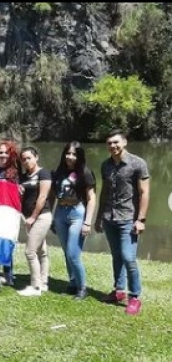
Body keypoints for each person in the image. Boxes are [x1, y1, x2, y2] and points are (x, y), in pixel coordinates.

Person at [94, 129, 150, 315]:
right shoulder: (105, 165)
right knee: (116, 256)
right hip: (110, 217)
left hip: (128, 219)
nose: (113, 146)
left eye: (116, 142)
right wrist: (99, 216)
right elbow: (104, 192)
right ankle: (119, 291)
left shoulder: (137, 164)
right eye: (109, 143)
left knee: (128, 257)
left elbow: (144, 193)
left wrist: (141, 219)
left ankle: (135, 297)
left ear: (124, 142)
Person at [51, 141, 96, 300]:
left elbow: (91, 199)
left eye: (74, 154)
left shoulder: (85, 172)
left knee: (73, 253)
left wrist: (87, 222)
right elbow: (55, 196)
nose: (70, 157)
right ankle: (72, 283)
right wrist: (53, 217)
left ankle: (82, 288)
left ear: (79, 156)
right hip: (61, 213)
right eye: (68, 153)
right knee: (66, 252)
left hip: (77, 212)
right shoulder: (59, 171)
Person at [17, 147, 53, 297]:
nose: (26, 161)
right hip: (28, 217)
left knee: (30, 251)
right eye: (23, 159)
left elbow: (42, 197)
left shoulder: (43, 173)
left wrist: (33, 217)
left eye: (29, 158)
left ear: (36, 157)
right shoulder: (24, 177)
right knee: (42, 251)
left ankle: (35, 286)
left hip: (41, 216)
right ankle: (43, 283)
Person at [0, 139, 21, 293]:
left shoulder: (14, 171)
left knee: (6, 242)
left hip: (9, 213)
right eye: (0, 152)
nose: (3, 155)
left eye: (6, 152)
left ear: (11, 154)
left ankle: (8, 273)